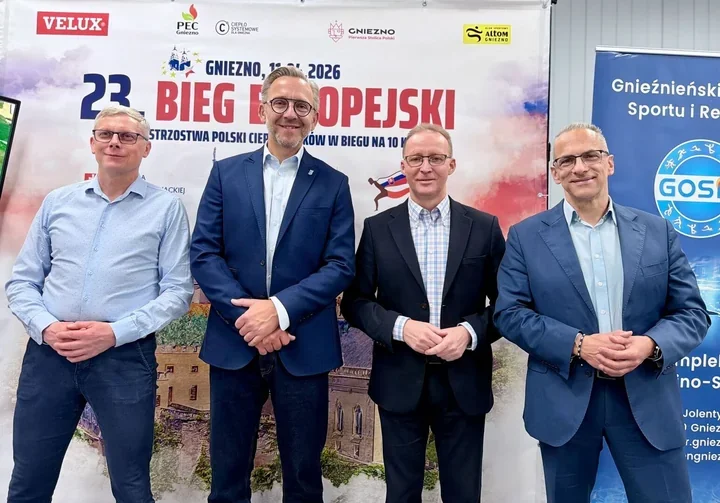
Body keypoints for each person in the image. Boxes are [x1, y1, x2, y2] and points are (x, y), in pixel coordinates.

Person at [494, 123, 710, 503]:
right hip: (564, 402)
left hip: (646, 399)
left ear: (609, 163)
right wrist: (578, 345)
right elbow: (510, 313)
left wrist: (649, 345)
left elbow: (692, 313)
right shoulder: (526, 237)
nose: (580, 167)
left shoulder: (657, 231)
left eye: (590, 156)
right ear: (555, 172)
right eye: (567, 160)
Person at [5, 105, 193, 503]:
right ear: (92, 143)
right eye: (105, 134)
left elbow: (178, 292)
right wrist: (47, 327)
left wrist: (113, 333)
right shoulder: (58, 202)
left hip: (123, 359)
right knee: (28, 482)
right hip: (49, 357)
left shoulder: (166, 209)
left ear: (146, 148)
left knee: (131, 486)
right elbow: (22, 282)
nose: (114, 142)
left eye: (128, 136)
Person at [190, 66, 355, 503]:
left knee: (303, 478)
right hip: (234, 342)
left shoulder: (334, 184)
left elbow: (340, 265)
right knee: (227, 477)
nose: (290, 113)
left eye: (302, 106)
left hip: (303, 344)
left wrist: (278, 311)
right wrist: (251, 319)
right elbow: (204, 253)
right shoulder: (225, 174)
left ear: (315, 116)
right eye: (280, 103)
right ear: (261, 109)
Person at [341, 123, 505, 503]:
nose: (425, 167)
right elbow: (355, 301)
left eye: (435, 158)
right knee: (401, 494)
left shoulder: (484, 228)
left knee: (464, 495)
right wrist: (401, 327)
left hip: (464, 383)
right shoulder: (377, 229)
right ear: (403, 166)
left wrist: (468, 332)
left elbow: (508, 305)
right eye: (416, 159)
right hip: (399, 381)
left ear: (451, 164)